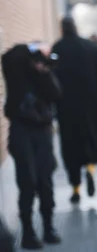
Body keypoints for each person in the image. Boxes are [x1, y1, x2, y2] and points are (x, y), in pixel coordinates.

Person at [2, 43, 62, 249]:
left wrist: (43, 71)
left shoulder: (44, 75)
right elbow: (9, 57)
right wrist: (33, 50)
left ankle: (48, 226)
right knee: (26, 182)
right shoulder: (17, 68)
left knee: (45, 180)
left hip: (42, 132)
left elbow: (56, 94)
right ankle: (28, 230)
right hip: (21, 131)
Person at [52, 18, 97, 204]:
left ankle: (75, 188)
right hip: (91, 107)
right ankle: (91, 169)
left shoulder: (57, 49)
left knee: (70, 146)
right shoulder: (92, 48)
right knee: (90, 139)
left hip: (66, 109)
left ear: (62, 29)